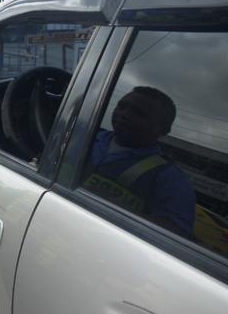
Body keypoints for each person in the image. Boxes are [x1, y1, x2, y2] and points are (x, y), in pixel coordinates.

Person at [83, 86, 196, 238]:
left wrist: (111, 207)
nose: (124, 114)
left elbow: (174, 235)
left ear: (163, 130)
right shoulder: (83, 136)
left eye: (139, 113)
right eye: (122, 106)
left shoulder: (170, 179)